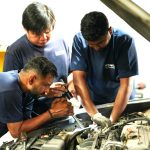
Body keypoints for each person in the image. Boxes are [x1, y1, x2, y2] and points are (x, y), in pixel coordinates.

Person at [3, 2, 76, 114]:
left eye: (47, 32)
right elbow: (11, 93)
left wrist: (71, 83)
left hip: (62, 109)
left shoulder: (61, 42)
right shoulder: (15, 51)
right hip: (32, 116)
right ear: (25, 29)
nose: (43, 38)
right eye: (37, 34)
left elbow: (71, 71)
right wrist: (43, 91)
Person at [70, 11, 138, 127]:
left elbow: (125, 85)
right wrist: (94, 115)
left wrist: (111, 121)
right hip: (93, 100)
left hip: (121, 100)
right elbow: (78, 79)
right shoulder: (79, 40)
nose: (96, 48)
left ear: (109, 30)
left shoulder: (124, 41)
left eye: (100, 43)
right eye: (91, 45)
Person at [0, 56, 73, 138]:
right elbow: (16, 132)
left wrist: (42, 93)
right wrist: (52, 113)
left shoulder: (25, 87)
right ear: (31, 79)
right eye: (46, 85)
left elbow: (25, 123)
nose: (48, 89)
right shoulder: (10, 90)